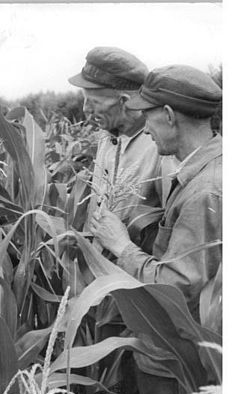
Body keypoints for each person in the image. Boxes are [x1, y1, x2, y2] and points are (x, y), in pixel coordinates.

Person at [90, 64, 222, 394]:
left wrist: (121, 245)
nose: (144, 128)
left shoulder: (205, 189)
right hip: (174, 354)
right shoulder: (203, 168)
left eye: (147, 116)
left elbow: (178, 288)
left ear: (167, 115)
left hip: (177, 362)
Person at [68, 47, 175, 247]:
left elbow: (171, 237)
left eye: (93, 102)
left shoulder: (162, 149)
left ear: (124, 101)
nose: (85, 109)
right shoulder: (107, 134)